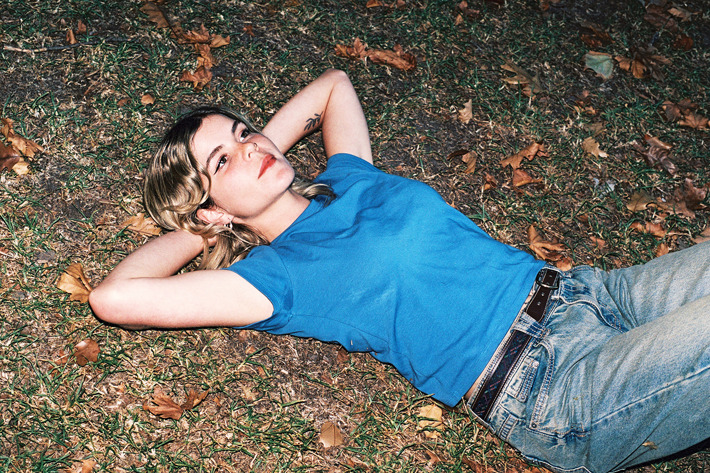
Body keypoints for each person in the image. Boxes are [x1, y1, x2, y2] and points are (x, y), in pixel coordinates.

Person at [89, 69, 710, 473]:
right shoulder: (276, 278)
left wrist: (250, 156)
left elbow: (333, 86)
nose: (250, 146)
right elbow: (115, 299)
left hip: (599, 294)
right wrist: (203, 224)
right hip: (553, 386)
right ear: (211, 208)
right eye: (223, 160)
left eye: (245, 131)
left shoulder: (347, 176)